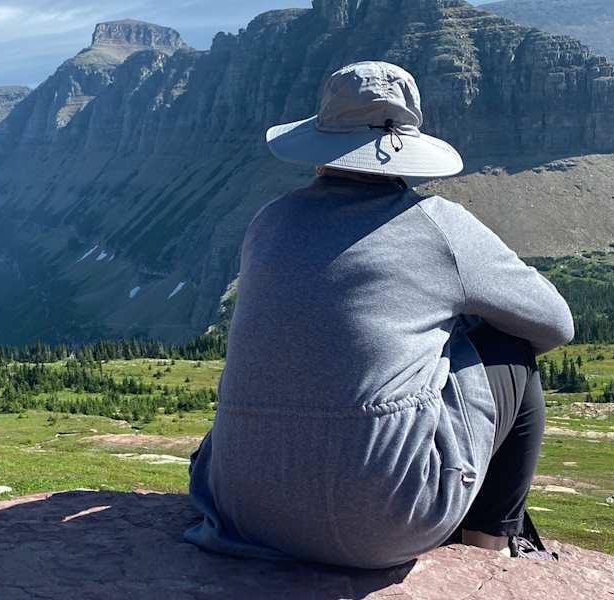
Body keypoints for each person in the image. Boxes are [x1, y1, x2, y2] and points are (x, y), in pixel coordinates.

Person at [184, 61, 574, 569]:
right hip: (382, 528)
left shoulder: (269, 220)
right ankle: (489, 553)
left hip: (238, 507)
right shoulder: (440, 226)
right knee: (508, 349)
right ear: (408, 147)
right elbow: (555, 325)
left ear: (320, 145)